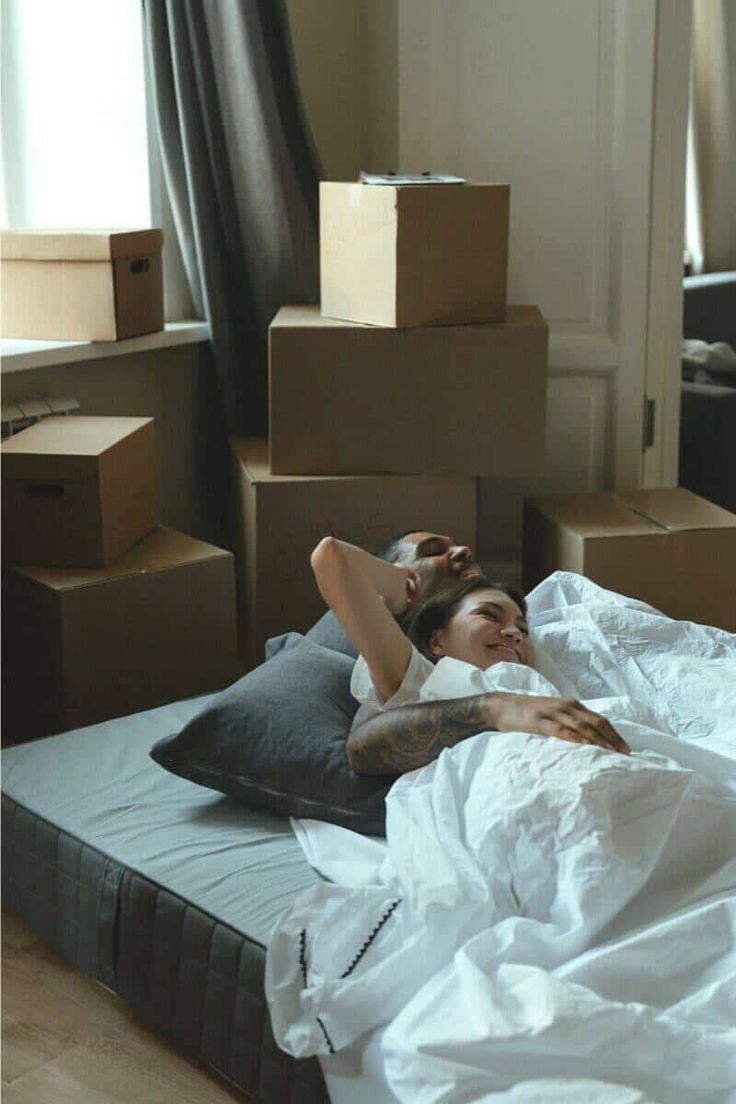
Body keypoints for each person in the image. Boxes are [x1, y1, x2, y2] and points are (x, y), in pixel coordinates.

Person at [311, 536, 630, 776]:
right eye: (432, 551)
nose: (463, 550)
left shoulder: (538, 645)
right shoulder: (424, 674)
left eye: (522, 627)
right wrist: (397, 585)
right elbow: (332, 557)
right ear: (436, 638)